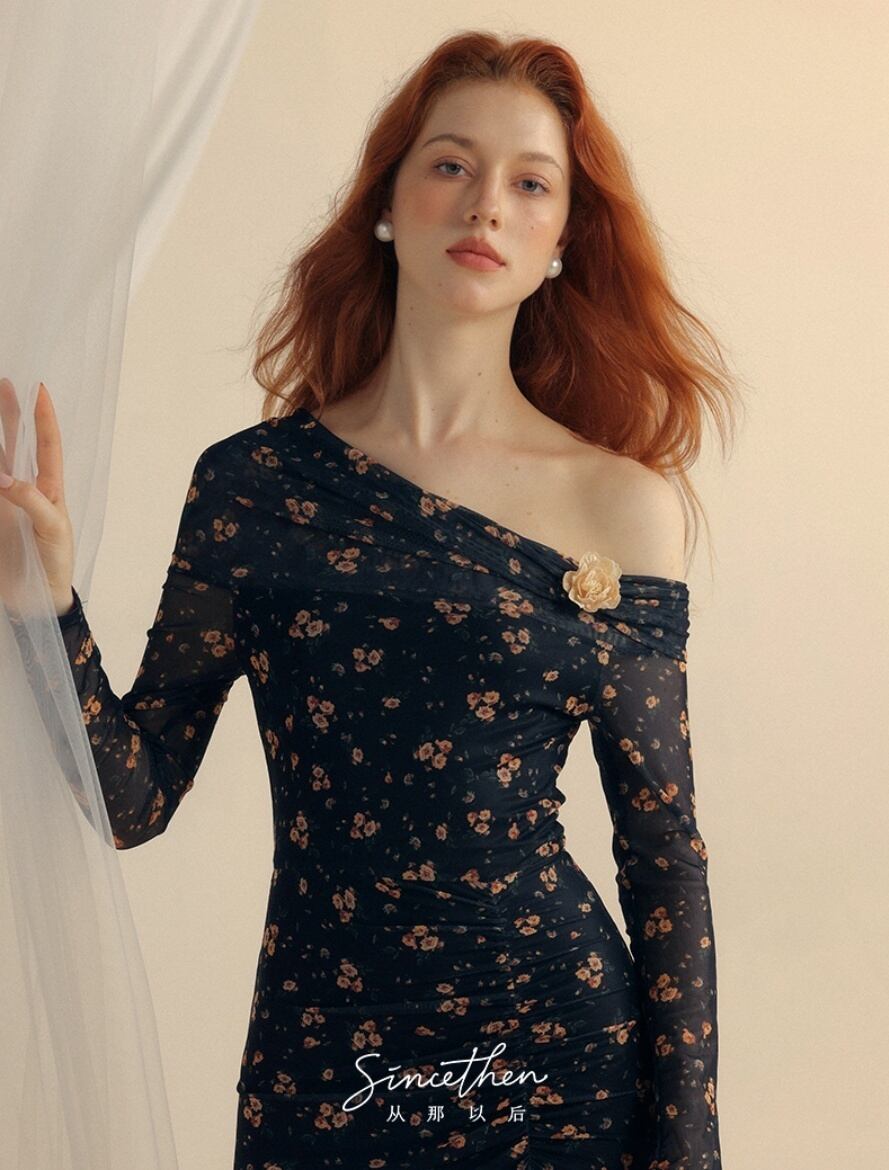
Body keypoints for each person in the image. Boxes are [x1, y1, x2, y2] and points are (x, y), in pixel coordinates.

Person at [0, 30, 735, 1170]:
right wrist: (46, 608)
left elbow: (663, 857)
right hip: (323, 1059)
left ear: (561, 243)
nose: (484, 204)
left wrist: (687, 1151)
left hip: (554, 1066)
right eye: (451, 164)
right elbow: (132, 799)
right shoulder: (253, 488)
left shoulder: (620, 505)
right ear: (387, 203)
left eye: (530, 184)